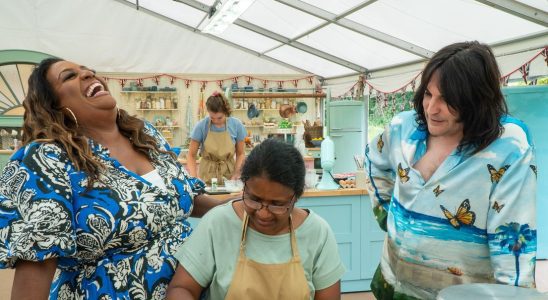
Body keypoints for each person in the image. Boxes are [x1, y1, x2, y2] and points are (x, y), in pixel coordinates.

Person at [0, 58, 222, 299]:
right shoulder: (46, 158)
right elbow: (39, 260)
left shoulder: (145, 135)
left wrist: (239, 203)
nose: (87, 74)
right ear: (52, 105)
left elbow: (186, 199)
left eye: (88, 71)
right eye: (69, 76)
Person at [365, 41, 537, 299]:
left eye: (448, 99)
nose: (432, 108)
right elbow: (373, 161)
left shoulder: (507, 148)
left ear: (477, 99)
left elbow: (512, 240)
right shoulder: (403, 128)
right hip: (391, 286)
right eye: (428, 94)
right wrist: (388, 216)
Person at [166, 139, 345, 300]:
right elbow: (182, 288)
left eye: (277, 204)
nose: (263, 213)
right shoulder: (218, 223)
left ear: (296, 197)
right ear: (244, 187)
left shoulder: (317, 233)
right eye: (254, 200)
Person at [186, 92, 246, 185]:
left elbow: (241, 153)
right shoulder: (201, 126)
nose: (216, 121)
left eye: (219, 118)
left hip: (229, 175)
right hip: (206, 175)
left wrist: (237, 173)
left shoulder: (236, 125)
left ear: (226, 112)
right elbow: (191, 155)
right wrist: (194, 177)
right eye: (212, 118)